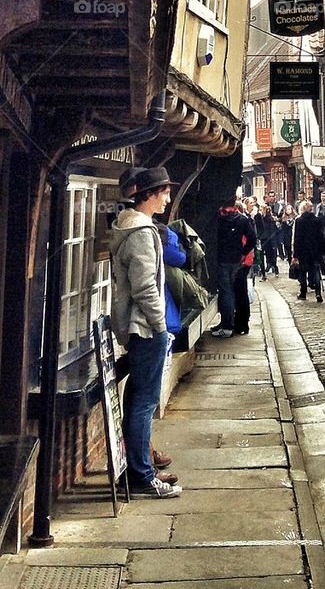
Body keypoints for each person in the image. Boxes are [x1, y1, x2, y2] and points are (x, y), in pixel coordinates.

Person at [110, 165, 182, 500]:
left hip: (139, 329)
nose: (168, 198)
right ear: (149, 195)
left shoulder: (137, 227)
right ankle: (142, 476)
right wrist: (160, 326)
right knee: (144, 402)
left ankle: (138, 467)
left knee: (136, 399)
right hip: (146, 329)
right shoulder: (140, 232)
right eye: (164, 192)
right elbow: (144, 288)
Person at [212, 197, 256, 338]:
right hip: (237, 261)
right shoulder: (242, 220)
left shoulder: (218, 218)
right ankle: (236, 324)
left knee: (226, 293)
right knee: (237, 292)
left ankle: (227, 325)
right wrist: (243, 254)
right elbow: (253, 238)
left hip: (222, 260)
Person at [292, 200, 325, 302]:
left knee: (303, 272)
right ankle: (318, 293)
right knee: (315, 271)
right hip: (315, 250)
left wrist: (295, 254)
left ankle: (303, 293)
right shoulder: (317, 220)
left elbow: (297, 238)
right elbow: (321, 236)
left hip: (303, 250)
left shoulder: (299, 221)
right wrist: (322, 251)